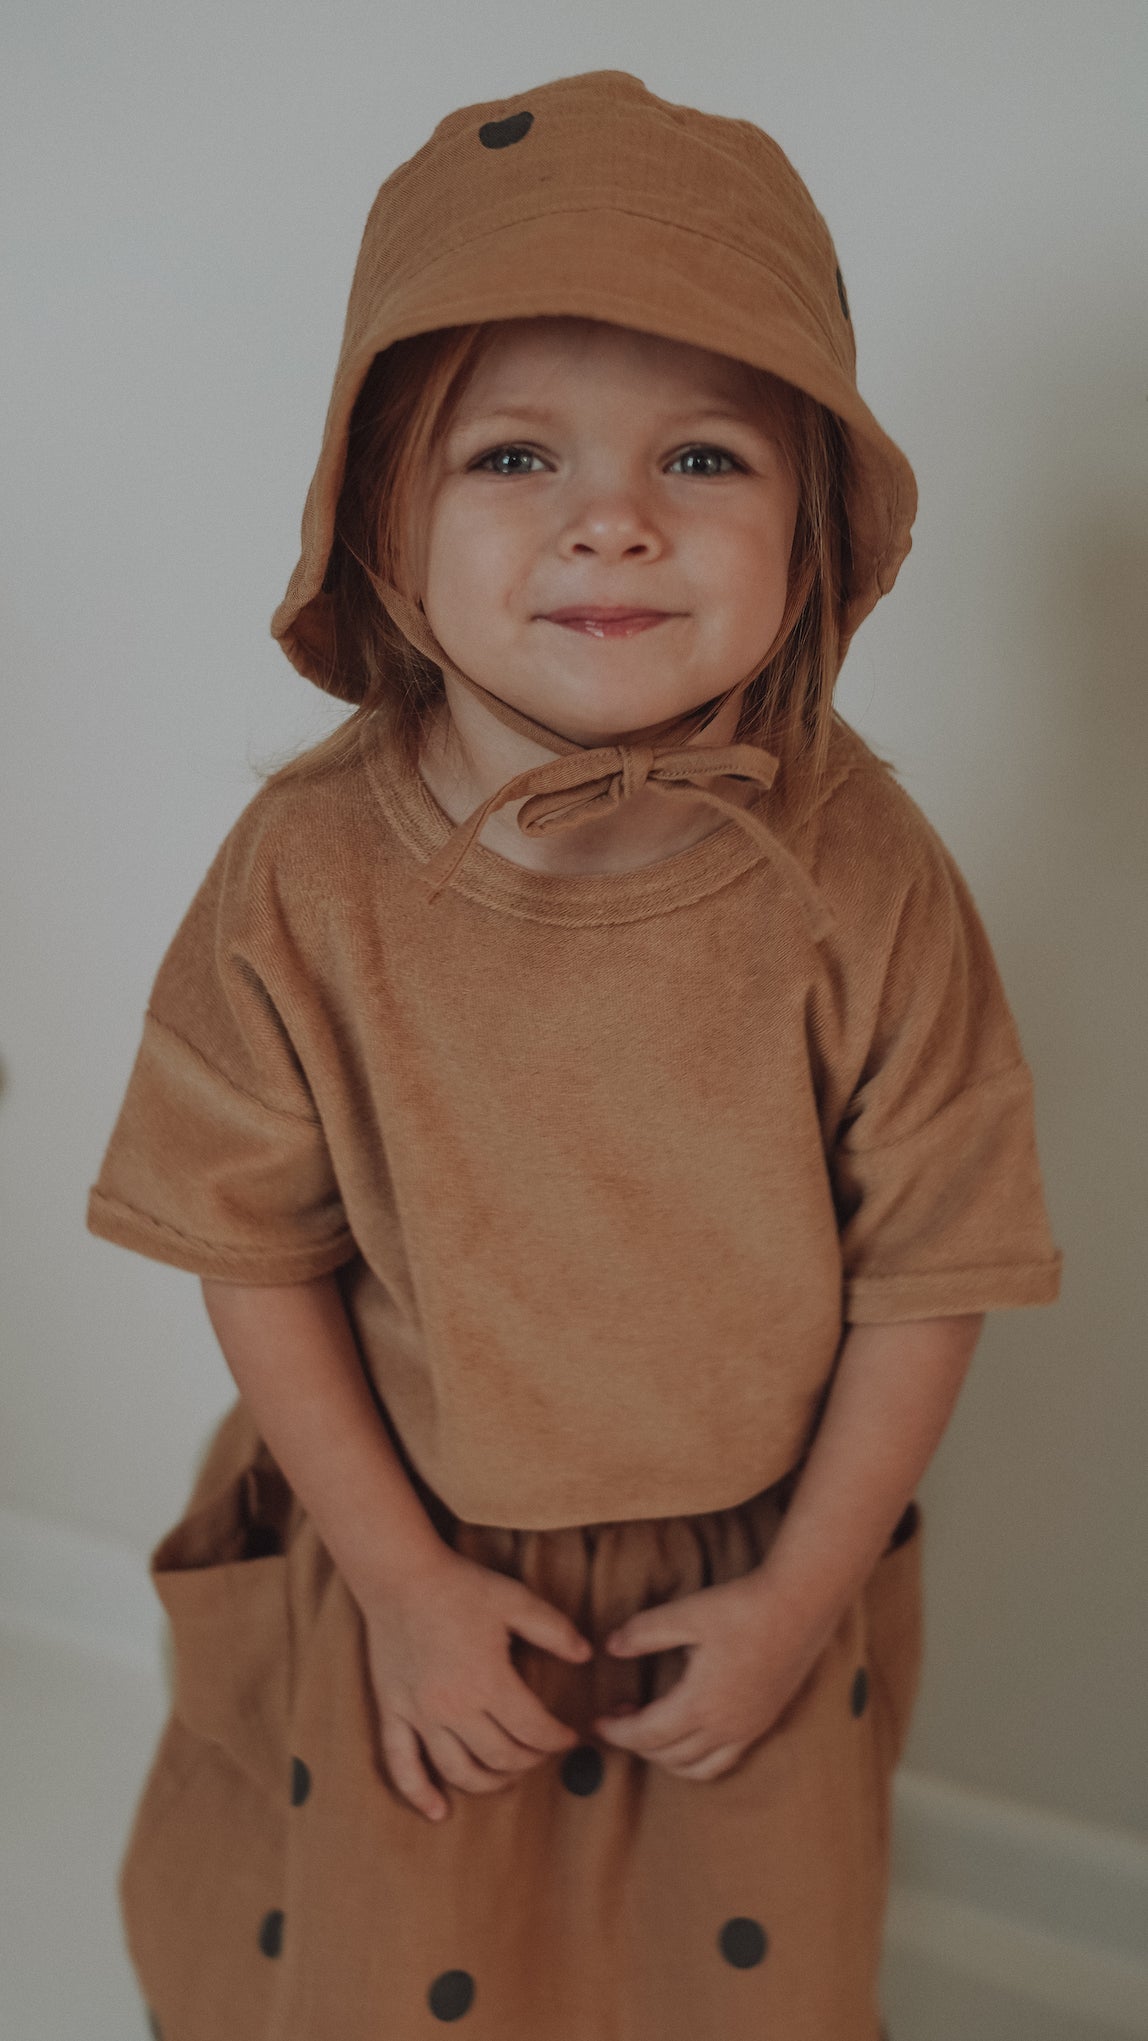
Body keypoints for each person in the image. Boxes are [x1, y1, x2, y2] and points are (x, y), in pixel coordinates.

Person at [86, 68, 1064, 2041]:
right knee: (395, 1957)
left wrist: (797, 1596)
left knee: (722, 1964)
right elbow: (250, 1242)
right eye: (514, 456)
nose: (610, 517)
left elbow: (934, 1260)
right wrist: (401, 1585)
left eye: (704, 461)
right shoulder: (306, 873)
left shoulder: (857, 870)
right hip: (406, 1533)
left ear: (814, 530)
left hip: (749, 1563)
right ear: (377, 513)